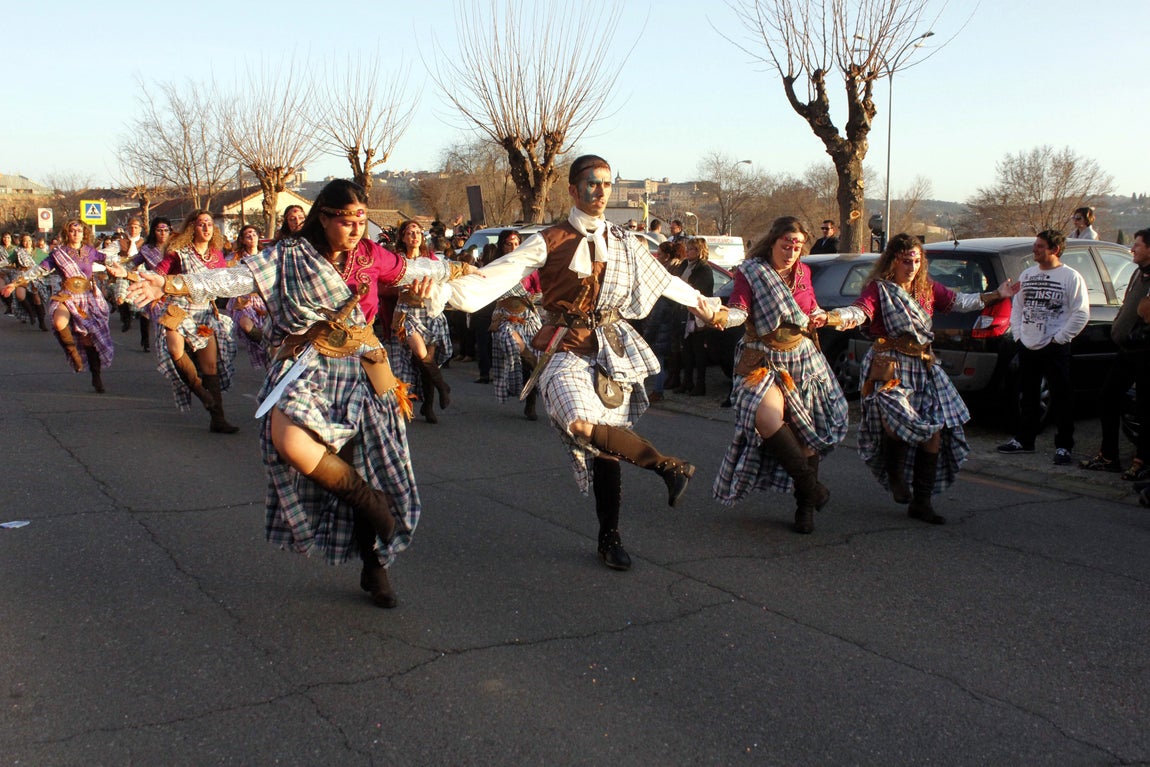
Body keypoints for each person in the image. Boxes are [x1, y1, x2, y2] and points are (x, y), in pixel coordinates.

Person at [124, 179, 476, 609]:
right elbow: (235, 279)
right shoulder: (288, 255)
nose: (355, 229)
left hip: (364, 367)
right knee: (289, 441)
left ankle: (374, 565)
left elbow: (414, 269)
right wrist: (172, 286)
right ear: (323, 217)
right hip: (307, 363)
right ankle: (370, 502)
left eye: (362, 220)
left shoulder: (370, 255)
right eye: (347, 221)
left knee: (358, 463)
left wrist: (457, 270)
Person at [435, 154, 721, 571]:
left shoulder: (625, 241)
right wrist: (445, 290)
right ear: (572, 189)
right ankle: (666, 466)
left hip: (611, 346)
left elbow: (666, 283)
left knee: (605, 448)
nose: (600, 191)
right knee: (578, 422)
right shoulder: (548, 239)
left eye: (606, 183)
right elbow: (499, 273)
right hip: (564, 345)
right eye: (591, 183)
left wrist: (705, 306)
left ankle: (610, 536)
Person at [831, 233, 1014, 524]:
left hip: (923, 365)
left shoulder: (928, 289)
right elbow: (860, 312)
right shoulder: (879, 290)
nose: (912, 266)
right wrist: (836, 317)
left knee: (934, 433)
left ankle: (921, 502)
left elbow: (959, 301)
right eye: (906, 261)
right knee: (897, 423)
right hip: (889, 366)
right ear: (892, 260)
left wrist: (997, 294)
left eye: (917, 260)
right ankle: (895, 475)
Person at [712, 217, 848, 533]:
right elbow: (739, 310)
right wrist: (721, 316)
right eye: (786, 244)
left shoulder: (804, 272)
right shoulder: (752, 271)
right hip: (761, 357)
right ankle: (813, 488)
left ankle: (805, 508)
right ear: (773, 242)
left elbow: (809, 306)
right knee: (766, 418)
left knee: (805, 433)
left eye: (797, 245)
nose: (790, 251)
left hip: (802, 357)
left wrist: (818, 316)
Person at [997, 230, 1090, 464]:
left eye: (1040, 246)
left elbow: (1081, 313)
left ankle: (1064, 446)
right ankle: (1025, 439)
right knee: (1028, 395)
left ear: (1054, 250)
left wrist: (1059, 338)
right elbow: (1017, 307)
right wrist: (1019, 335)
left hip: (1055, 347)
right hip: (1028, 344)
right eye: (1035, 245)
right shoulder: (1027, 275)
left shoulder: (1071, 277)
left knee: (1061, 396)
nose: (1035, 250)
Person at [146, 211, 241, 433]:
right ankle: (201, 393)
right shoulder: (178, 253)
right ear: (192, 228)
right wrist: (146, 284)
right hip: (178, 308)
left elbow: (223, 284)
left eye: (209, 224)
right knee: (175, 348)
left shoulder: (217, 256)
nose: (206, 228)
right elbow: (159, 274)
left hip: (204, 311)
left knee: (210, 365)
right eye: (201, 224)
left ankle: (218, 418)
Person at [3, 220, 115, 392]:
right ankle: (73, 353)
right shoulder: (58, 253)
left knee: (88, 340)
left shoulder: (90, 251)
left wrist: (124, 263)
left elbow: (111, 260)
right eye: (72, 230)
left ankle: (96, 375)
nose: (76, 233)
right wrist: (15, 283)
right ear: (67, 233)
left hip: (87, 298)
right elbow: (39, 270)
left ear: (84, 233)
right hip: (66, 294)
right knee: (58, 323)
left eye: (79, 230)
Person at [1080, 229, 1150, 480]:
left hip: (1144, 352)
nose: (1132, 249)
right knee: (1107, 397)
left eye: (1138, 245)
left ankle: (1142, 462)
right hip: (1127, 350)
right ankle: (1109, 456)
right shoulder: (1137, 273)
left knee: (1143, 409)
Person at [390, 219, 454, 424]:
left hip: (429, 311)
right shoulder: (397, 260)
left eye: (417, 232)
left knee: (427, 361)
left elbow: (447, 277)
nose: (414, 236)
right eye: (410, 233)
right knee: (420, 352)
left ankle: (429, 405)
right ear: (403, 237)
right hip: (407, 312)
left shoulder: (431, 259)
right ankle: (443, 386)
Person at [488, 230, 544, 420]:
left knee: (535, 355)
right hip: (504, 317)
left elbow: (539, 291)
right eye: (508, 244)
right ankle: (520, 382)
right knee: (514, 345)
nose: (513, 248)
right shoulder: (495, 267)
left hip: (527, 315)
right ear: (501, 246)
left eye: (516, 243)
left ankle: (531, 400)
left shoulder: (530, 267)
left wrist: (530, 297)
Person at [225, 225, 270, 369]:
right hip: (242, 299)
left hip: (264, 299)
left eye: (254, 235)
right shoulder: (234, 258)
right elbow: (225, 276)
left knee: (268, 330)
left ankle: (269, 347)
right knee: (245, 324)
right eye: (248, 236)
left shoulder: (267, 255)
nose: (252, 237)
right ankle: (266, 343)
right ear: (243, 240)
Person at [675, 237, 715, 396]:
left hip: (698, 314)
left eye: (691, 249)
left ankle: (700, 384)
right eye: (688, 248)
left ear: (699, 252)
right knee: (686, 350)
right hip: (683, 310)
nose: (688, 252)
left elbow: (698, 290)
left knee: (698, 351)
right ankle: (687, 381)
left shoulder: (704, 269)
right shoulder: (685, 265)